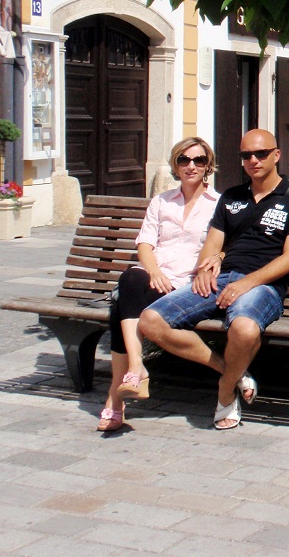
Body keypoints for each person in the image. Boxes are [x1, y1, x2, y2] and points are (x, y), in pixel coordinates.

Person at [138, 129, 289, 430]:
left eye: (260, 154)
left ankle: (223, 393)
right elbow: (213, 244)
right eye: (246, 155)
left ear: (276, 155)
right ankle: (231, 372)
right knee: (150, 320)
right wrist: (205, 269)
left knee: (244, 330)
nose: (253, 160)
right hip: (221, 280)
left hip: (262, 286)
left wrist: (245, 284)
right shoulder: (232, 197)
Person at [96, 137, 220, 433]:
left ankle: (117, 393)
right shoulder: (161, 201)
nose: (191, 166)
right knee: (130, 279)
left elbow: (227, 244)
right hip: (152, 278)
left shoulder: (219, 205)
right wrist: (153, 272)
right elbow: (145, 244)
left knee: (121, 304)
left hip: (184, 286)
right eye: (184, 160)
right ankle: (136, 368)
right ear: (175, 165)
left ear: (208, 166)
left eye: (198, 160)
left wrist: (219, 256)